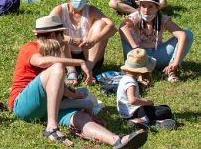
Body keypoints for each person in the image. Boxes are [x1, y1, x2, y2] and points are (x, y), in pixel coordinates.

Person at [10, 15, 148, 148]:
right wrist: (79, 62)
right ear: (53, 36)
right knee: (57, 67)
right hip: (23, 106)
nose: (63, 39)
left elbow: (55, 89)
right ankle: (51, 128)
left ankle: (117, 141)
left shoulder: (54, 53)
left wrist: (76, 95)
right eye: (61, 35)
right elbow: (40, 62)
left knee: (80, 117)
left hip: (47, 108)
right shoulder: (31, 47)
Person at [49, 0, 116, 85]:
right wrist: (71, 40)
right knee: (57, 33)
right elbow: (47, 33)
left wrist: (94, 40)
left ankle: (88, 69)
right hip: (65, 56)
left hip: (89, 56)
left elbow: (112, 27)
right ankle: (71, 71)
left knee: (102, 25)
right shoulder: (60, 10)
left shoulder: (91, 10)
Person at [119, 0, 193, 83]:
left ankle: (171, 71)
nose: (146, 10)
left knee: (187, 34)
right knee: (126, 32)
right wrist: (135, 47)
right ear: (139, 6)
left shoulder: (162, 19)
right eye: (143, 6)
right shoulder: (136, 16)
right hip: (138, 55)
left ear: (157, 8)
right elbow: (122, 27)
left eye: (150, 6)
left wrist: (175, 62)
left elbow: (182, 35)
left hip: (157, 55)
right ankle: (137, 71)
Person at [117, 48, 176, 130]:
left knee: (163, 108)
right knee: (166, 110)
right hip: (133, 113)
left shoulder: (126, 78)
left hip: (126, 113)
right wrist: (147, 102)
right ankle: (140, 121)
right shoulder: (130, 83)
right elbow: (132, 100)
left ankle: (155, 123)